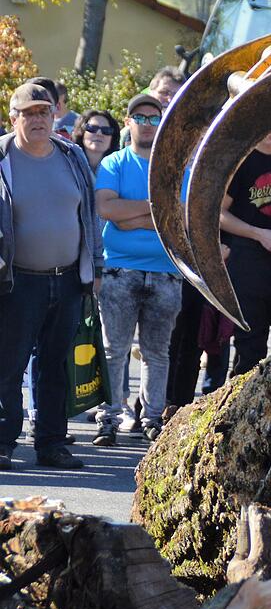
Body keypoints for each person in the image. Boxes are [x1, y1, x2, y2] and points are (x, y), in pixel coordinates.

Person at [0, 83, 102, 470]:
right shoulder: (2, 157)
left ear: (55, 115)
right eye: (29, 113)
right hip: (16, 281)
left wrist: (95, 267)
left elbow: (89, 213)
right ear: (14, 118)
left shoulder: (71, 155)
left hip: (69, 278)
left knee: (56, 365)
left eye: (44, 112)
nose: (38, 119)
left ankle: (52, 443)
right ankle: (3, 442)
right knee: (7, 366)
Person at [94, 93, 186, 445]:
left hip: (166, 271)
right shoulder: (113, 163)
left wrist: (131, 216)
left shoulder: (177, 167)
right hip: (120, 271)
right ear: (128, 121)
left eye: (153, 118)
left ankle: (151, 419)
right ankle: (110, 418)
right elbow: (106, 210)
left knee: (156, 352)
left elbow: (178, 216)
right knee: (113, 350)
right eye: (140, 118)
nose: (147, 124)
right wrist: (153, 210)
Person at [219, 128, 271, 377]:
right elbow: (219, 214)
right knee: (250, 347)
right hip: (248, 260)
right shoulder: (240, 160)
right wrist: (259, 234)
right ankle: (239, 410)